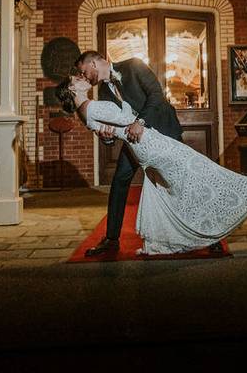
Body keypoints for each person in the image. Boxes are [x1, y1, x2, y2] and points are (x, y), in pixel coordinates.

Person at [56, 71, 247, 255]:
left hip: (148, 142)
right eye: (76, 79)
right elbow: (126, 119)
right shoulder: (91, 106)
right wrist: (110, 132)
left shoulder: (88, 109)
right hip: (149, 144)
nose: (81, 77)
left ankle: (203, 226)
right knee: (201, 170)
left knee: (186, 179)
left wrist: (109, 130)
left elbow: (118, 121)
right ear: (72, 89)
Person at [75, 50, 184, 256]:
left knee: (180, 180)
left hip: (164, 130)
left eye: (84, 71)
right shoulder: (104, 93)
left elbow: (156, 95)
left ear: (94, 64)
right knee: (119, 180)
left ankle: (208, 234)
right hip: (135, 140)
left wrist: (140, 122)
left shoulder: (133, 65)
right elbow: (112, 128)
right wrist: (106, 136)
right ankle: (112, 239)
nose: (84, 77)